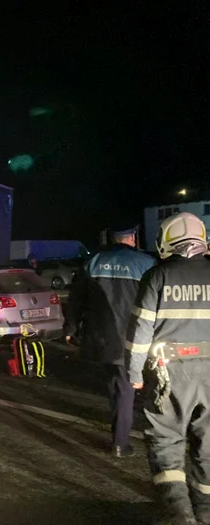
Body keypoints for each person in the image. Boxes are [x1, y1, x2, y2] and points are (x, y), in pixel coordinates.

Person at [127, 212, 210, 525]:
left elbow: (139, 333)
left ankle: (178, 516)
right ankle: (205, 513)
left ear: (166, 241)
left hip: (171, 374)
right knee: (209, 444)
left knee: (166, 442)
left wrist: (134, 374)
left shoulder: (157, 277)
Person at [63, 223, 156, 458]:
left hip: (100, 338)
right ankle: (120, 442)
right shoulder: (146, 263)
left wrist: (71, 328)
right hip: (131, 337)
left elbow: (76, 298)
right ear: (132, 238)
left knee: (116, 384)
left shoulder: (93, 262)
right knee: (126, 388)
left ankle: (119, 431)